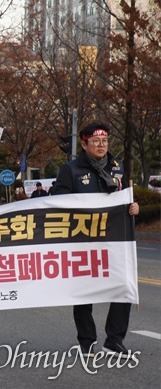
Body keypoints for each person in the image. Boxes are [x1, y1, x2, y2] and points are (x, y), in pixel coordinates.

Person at [53, 122, 139, 358]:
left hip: (115, 239)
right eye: (96, 141)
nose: (102, 145)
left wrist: (132, 207)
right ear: (84, 144)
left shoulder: (116, 167)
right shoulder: (70, 170)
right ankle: (87, 341)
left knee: (123, 286)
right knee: (84, 292)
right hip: (82, 240)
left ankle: (114, 339)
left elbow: (123, 197)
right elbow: (57, 202)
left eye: (105, 141)